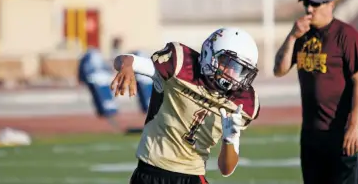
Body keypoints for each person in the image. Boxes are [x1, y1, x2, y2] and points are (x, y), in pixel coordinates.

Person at [110, 27, 261, 184]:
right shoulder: (180, 65)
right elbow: (127, 60)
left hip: (192, 176)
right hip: (150, 171)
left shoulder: (239, 103)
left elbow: (226, 169)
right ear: (210, 53)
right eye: (226, 62)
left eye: (238, 69)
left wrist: (230, 138)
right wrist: (126, 66)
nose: (231, 73)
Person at [273, 0, 358, 184]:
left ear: (330, 5)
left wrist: (354, 126)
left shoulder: (346, 35)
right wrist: (291, 36)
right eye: (307, 4)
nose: (309, 9)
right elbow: (279, 70)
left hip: (339, 133)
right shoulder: (302, 34)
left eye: (315, 4)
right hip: (311, 133)